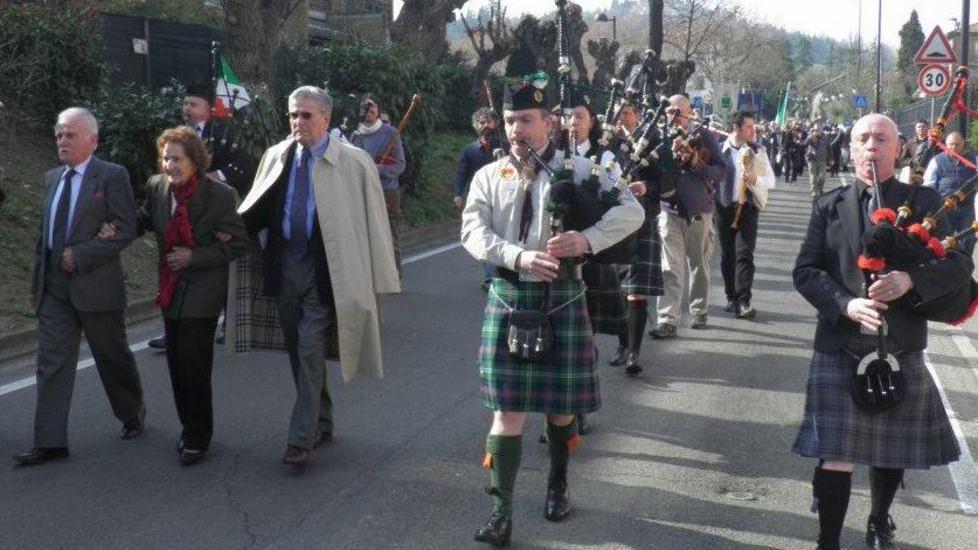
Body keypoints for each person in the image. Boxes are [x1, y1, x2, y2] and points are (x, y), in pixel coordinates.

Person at [460, 79, 643, 546]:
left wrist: (586, 240)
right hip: (509, 295)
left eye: (526, 120)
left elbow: (632, 209)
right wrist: (518, 256)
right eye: (509, 121)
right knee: (508, 411)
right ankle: (500, 512)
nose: (516, 130)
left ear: (547, 124)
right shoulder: (490, 175)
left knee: (560, 412)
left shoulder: (579, 170)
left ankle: (558, 484)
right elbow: (472, 232)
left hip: (562, 296)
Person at [793, 113, 974, 550]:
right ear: (851, 149)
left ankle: (878, 519)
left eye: (880, 138)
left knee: (891, 450)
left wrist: (911, 280)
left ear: (898, 149)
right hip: (840, 342)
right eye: (862, 139)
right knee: (836, 453)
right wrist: (847, 304)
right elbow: (805, 272)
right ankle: (829, 541)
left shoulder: (926, 203)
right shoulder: (828, 205)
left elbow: (959, 265)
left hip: (900, 341)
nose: (871, 145)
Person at [236, 86, 400, 467]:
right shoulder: (276, 156)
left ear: (326, 118)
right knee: (298, 351)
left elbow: (376, 223)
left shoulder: (354, 162)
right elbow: (258, 206)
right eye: (293, 114)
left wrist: (382, 278)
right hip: (285, 267)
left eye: (307, 115)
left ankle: (300, 438)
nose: (298, 122)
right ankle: (322, 420)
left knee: (310, 348)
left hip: (327, 273)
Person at [15, 108, 146, 466]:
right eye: (59, 134)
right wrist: (36, 283)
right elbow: (43, 237)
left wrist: (83, 253)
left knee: (112, 356)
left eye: (70, 135)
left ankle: (131, 412)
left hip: (96, 286)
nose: (62, 141)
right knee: (52, 362)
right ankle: (50, 440)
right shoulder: (51, 178)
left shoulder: (111, 176)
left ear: (93, 140)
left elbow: (125, 227)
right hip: (55, 289)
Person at [135, 127, 250, 465]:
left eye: (177, 159)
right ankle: (188, 424)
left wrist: (194, 257)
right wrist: (113, 226)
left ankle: (199, 436)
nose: (170, 165)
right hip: (171, 284)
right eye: (166, 158)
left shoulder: (220, 195)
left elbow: (239, 243)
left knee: (194, 363)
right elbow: (143, 219)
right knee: (175, 364)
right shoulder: (157, 188)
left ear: (195, 162)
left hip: (203, 287)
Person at [149, 83, 255, 350]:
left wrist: (213, 177)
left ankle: (225, 322)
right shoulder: (178, 137)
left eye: (193, 104)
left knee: (218, 268)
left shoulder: (223, 131)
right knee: (174, 263)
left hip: (217, 208)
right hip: (183, 207)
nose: (187, 109)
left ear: (209, 108)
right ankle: (171, 324)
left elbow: (243, 165)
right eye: (185, 104)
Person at [649, 95, 726, 338]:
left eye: (679, 111)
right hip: (668, 211)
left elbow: (721, 172)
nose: (673, 115)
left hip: (698, 211)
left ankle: (699, 309)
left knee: (699, 265)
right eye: (670, 110)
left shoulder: (703, 136)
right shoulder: (659, 135)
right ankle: (667, 319)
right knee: (669, 268)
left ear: (690, 111)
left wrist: (696, 163)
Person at [715, 110, 775, 320]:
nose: (753, 130)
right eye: (749, 126)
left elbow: (771, 181)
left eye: (753, 126)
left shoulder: (758, 151)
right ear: (736, 127)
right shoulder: (719, 149)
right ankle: (731, 297)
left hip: (748, 209)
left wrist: (755, 180)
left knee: (745, 254)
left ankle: (744, 301)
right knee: (727, 254)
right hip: (723, 208)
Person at [454, 107, 509, 291]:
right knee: (483, 232)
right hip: (479, 198)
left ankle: (501, 270)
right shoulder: (469, 150)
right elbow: (462, 173)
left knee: (501, 233)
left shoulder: (506, 146)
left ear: (496, 123)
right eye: (481, 122)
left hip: (504, 198)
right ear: (475, 126)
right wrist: (458, 193)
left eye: (489, 121)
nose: (486, 125)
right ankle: (489, 276)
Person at [350, 97, 406, 275]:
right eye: (366, 111)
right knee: (364, 234)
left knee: (390, 234)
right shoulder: (355, 135)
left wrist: (377, 169)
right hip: (362, 190)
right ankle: (369, 274)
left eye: (372, 111)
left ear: (378, 112)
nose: (369, 114)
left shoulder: (391, 133)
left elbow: (399, 165)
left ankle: (394, 275)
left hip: (387, 191)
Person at [922, 131, 978, 257]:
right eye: (951, 145)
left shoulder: (974, 160)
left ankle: (965, 267)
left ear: (963, 143)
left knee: (968, 240)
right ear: (946, 145)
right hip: (945, 209)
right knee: (944, 241)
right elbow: (928, 185)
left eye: (957, 144)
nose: (954, 147)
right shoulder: (937, 160)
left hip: (967, 208)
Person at [806, 124, 829, 197]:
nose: (817, 131)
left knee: (822, 177)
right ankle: (814, 191)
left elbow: (829, 147)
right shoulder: (811, 137)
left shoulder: (825, 138)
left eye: (818, 130)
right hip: (812, 160)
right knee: (813, 176)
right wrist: (812, 136)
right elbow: (805, 142)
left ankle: (820, 189)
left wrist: (831, 158)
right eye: (815, 130)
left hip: (822, 160)